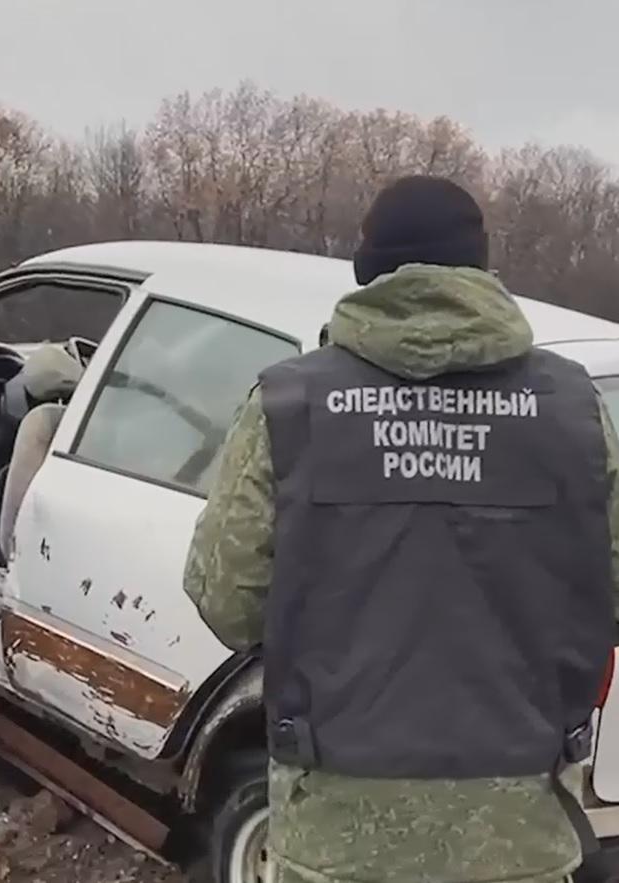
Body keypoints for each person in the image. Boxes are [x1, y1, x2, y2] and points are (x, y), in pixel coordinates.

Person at [184, 174, 619, 883]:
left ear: (367, 269)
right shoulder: (574, 412)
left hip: (336, 828)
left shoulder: (289, 405)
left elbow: (227, 601)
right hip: (516, 832)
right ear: (481, 266)